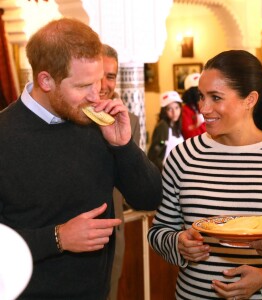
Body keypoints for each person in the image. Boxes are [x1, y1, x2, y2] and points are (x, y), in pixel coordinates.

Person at [0, 18, 162, 300]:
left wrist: (123, 146)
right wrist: (58, 238)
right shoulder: (5, 135)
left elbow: (149, 199)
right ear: (46, 80)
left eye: (99, 81)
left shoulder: (97, 124)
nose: (96, 94)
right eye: (83, 85)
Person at [148, 50, 262, 300]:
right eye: (201, 96)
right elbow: (159, 231)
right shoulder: (184, 156)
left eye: (215, 97)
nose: (203, 108)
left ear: (250, 99)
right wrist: (178, 244)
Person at [100, 44, 140, 300]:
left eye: (111, 76)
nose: (104, 84)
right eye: (98, 74)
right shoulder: (66, 117)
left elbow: (134, 184)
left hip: (112, 230)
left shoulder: (130, 121)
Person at [147, 91, 184, 172]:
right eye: (170, 109)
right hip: (166, 172)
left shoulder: (176, 125)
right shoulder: (163, 126)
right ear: (164, 111)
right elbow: (157, 148)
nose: (174, 112)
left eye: (177, 108)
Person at [181, 73, 206, 139]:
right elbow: (188, 135)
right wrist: (197, 125)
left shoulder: (206, 106)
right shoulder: (185, 110)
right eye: (197, 90)